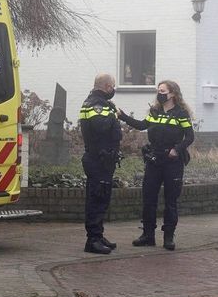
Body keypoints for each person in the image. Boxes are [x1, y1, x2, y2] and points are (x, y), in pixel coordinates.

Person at [119, 80, 194, 250]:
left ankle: (168, 237)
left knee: (170, 200)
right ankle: (148, 235)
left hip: (172, 161)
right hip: (154, 160)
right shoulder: (154, 112)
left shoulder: (181, 114)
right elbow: (141, 125)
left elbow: (190, 137)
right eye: (158, 91)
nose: (159, 94)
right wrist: (122, 116)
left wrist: (177, 149)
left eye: (163, 91)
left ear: (173, 94)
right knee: (149, 198)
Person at [78, 73, 123, 254]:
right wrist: (115, 117)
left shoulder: (103, 104)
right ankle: (92, 240)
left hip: (104, 160)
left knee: (102, 198)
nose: (113, 89)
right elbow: (101, 127)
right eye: (112, 86)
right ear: (106, 86)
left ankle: (99, 234)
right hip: (97, 159)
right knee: (96, 199)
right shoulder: (95, 104)